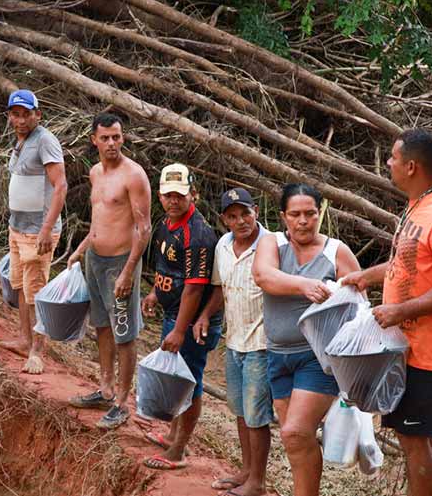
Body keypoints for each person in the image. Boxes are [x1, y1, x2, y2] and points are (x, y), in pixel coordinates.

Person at [342, 129, 432, 496]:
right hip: (408, 348)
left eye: (393, 158)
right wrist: (366, 277)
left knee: (416, 440)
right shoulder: (419, 206)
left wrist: (399, 310)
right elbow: (407, 264)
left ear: (411, 166)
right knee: (411, 435)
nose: (388, 163)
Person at [251, 183, 360, 496]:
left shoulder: (335, 251)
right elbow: (263, 276)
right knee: (294, 439)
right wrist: (304, 285)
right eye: (295, 214)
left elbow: (358, 300)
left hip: (318, 358)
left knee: (297, 432)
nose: (303, 221)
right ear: (283, 216)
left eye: (310, 214)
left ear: (319, 214)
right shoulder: (271, 243)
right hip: (277, 354)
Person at [65, 113, 151, 430]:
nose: (112, 143)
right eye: (106, 138)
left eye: (117, 137)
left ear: (123, 138)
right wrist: (80, 250)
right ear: (94, 140)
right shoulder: (95, 173)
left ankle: (122, 403)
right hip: (96, 260)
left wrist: (129, 271)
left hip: (120, 263)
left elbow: (143, 228)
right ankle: (105, 389)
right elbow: (99, 218)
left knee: (123, 332)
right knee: (101, 325)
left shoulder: (134, 175)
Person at [141, 164, 220, 469]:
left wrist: (179, 330)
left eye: (180, 195)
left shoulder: (198, 234)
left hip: (190, 320)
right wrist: (154, 294)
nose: (173, 201)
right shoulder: (167, 224)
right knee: (177, 377)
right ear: (160, 195)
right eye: (168, 195)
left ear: (193, 194)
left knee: (189, 382)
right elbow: (168, 271)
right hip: (174, 313)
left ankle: (179, 450)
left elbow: (193, 289)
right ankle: (173, 435)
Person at [198, 187, 272, 496]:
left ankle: (257, 481)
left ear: (256, 211)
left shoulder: (272, 245)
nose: (240, 220)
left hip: (263, 342)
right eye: (232, 216)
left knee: (257, 416)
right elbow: (219, 288)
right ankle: (246, 470)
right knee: (241, 410)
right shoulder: (223, 246)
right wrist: (204, 316)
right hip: (235, 340)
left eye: (245, 213)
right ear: (224, 219)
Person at [0, 89, 67, 375]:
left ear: (38, 115)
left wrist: (46, 229)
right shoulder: (22, 141)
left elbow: (60, 185)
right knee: (20, 287)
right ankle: (24, 339)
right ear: (10, 116)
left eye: (27, 114)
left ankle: (38, 351)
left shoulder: (45, 141)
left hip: (37, 231)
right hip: (18, 227)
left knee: (36, 290)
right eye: (16, 114)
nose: (22, 119)